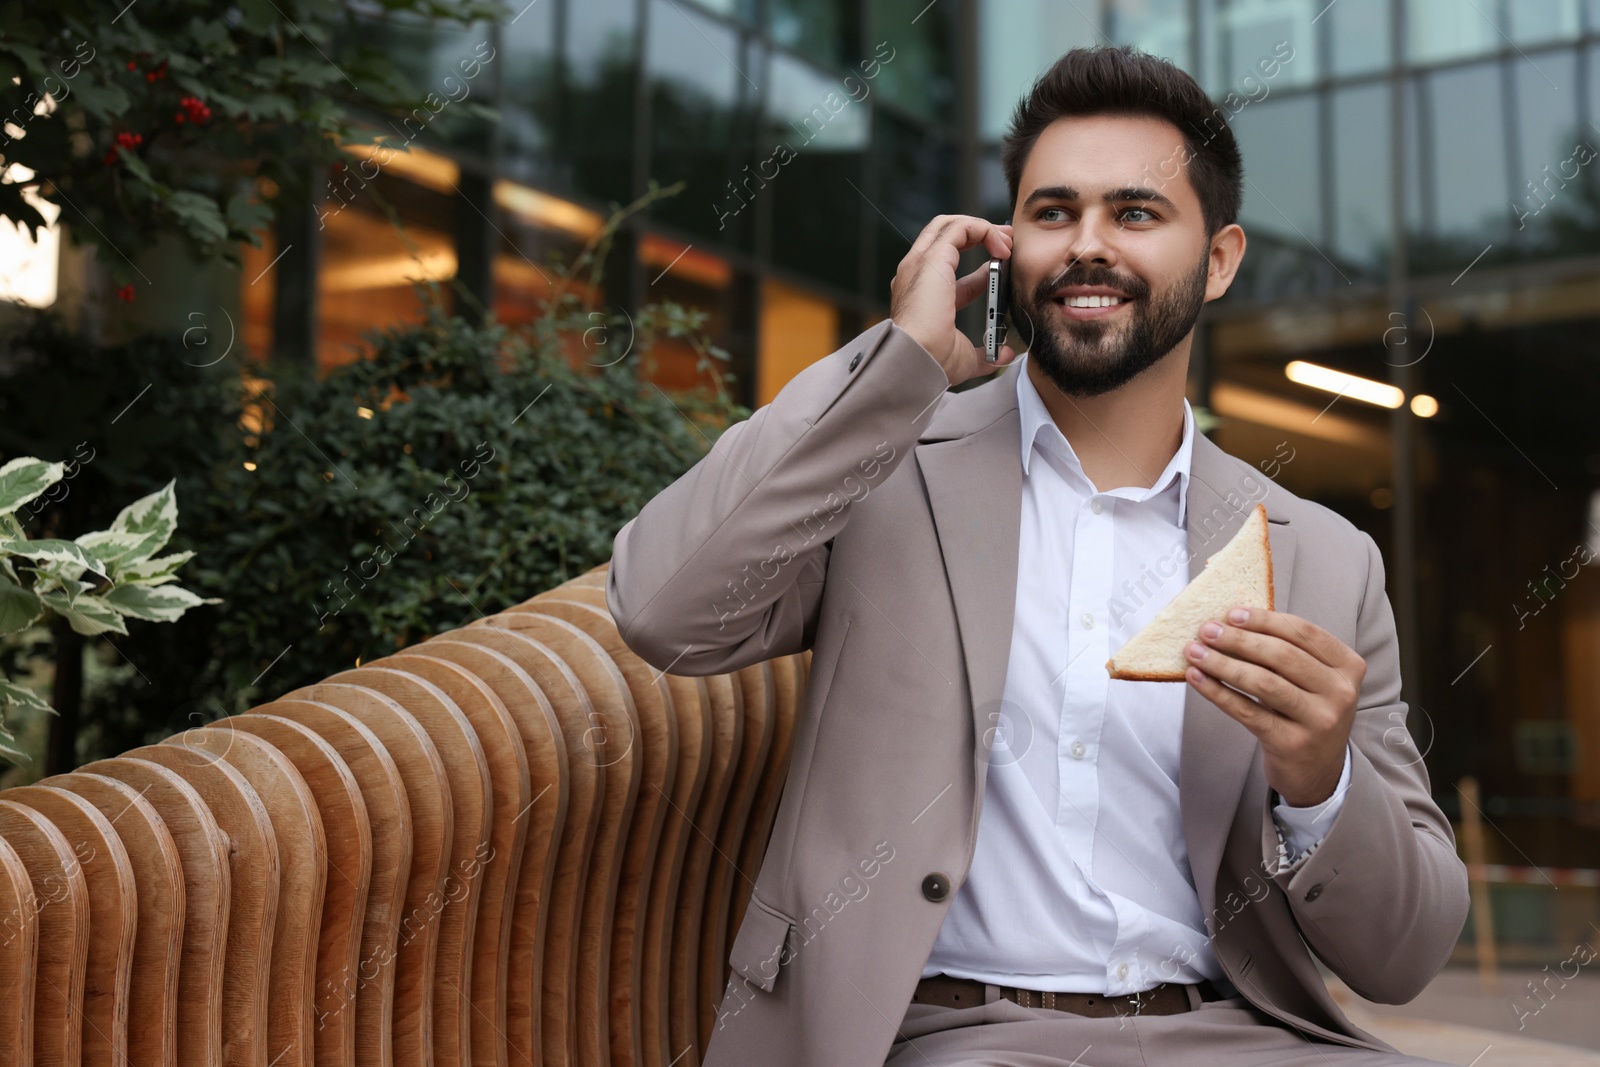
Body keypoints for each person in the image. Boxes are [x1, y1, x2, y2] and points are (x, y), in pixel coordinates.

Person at [607, 44, 1469, 1067]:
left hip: (1228, 1032)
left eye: (1136, 214)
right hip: (940, 1031)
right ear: (1007, 245)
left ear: (1221, 258)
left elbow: (1406, 952)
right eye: (1053, 213)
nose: (1086, 245)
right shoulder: (881, 470)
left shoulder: (1324, 560)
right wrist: (899, 365)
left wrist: (1319, 781)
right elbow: (663, 608)